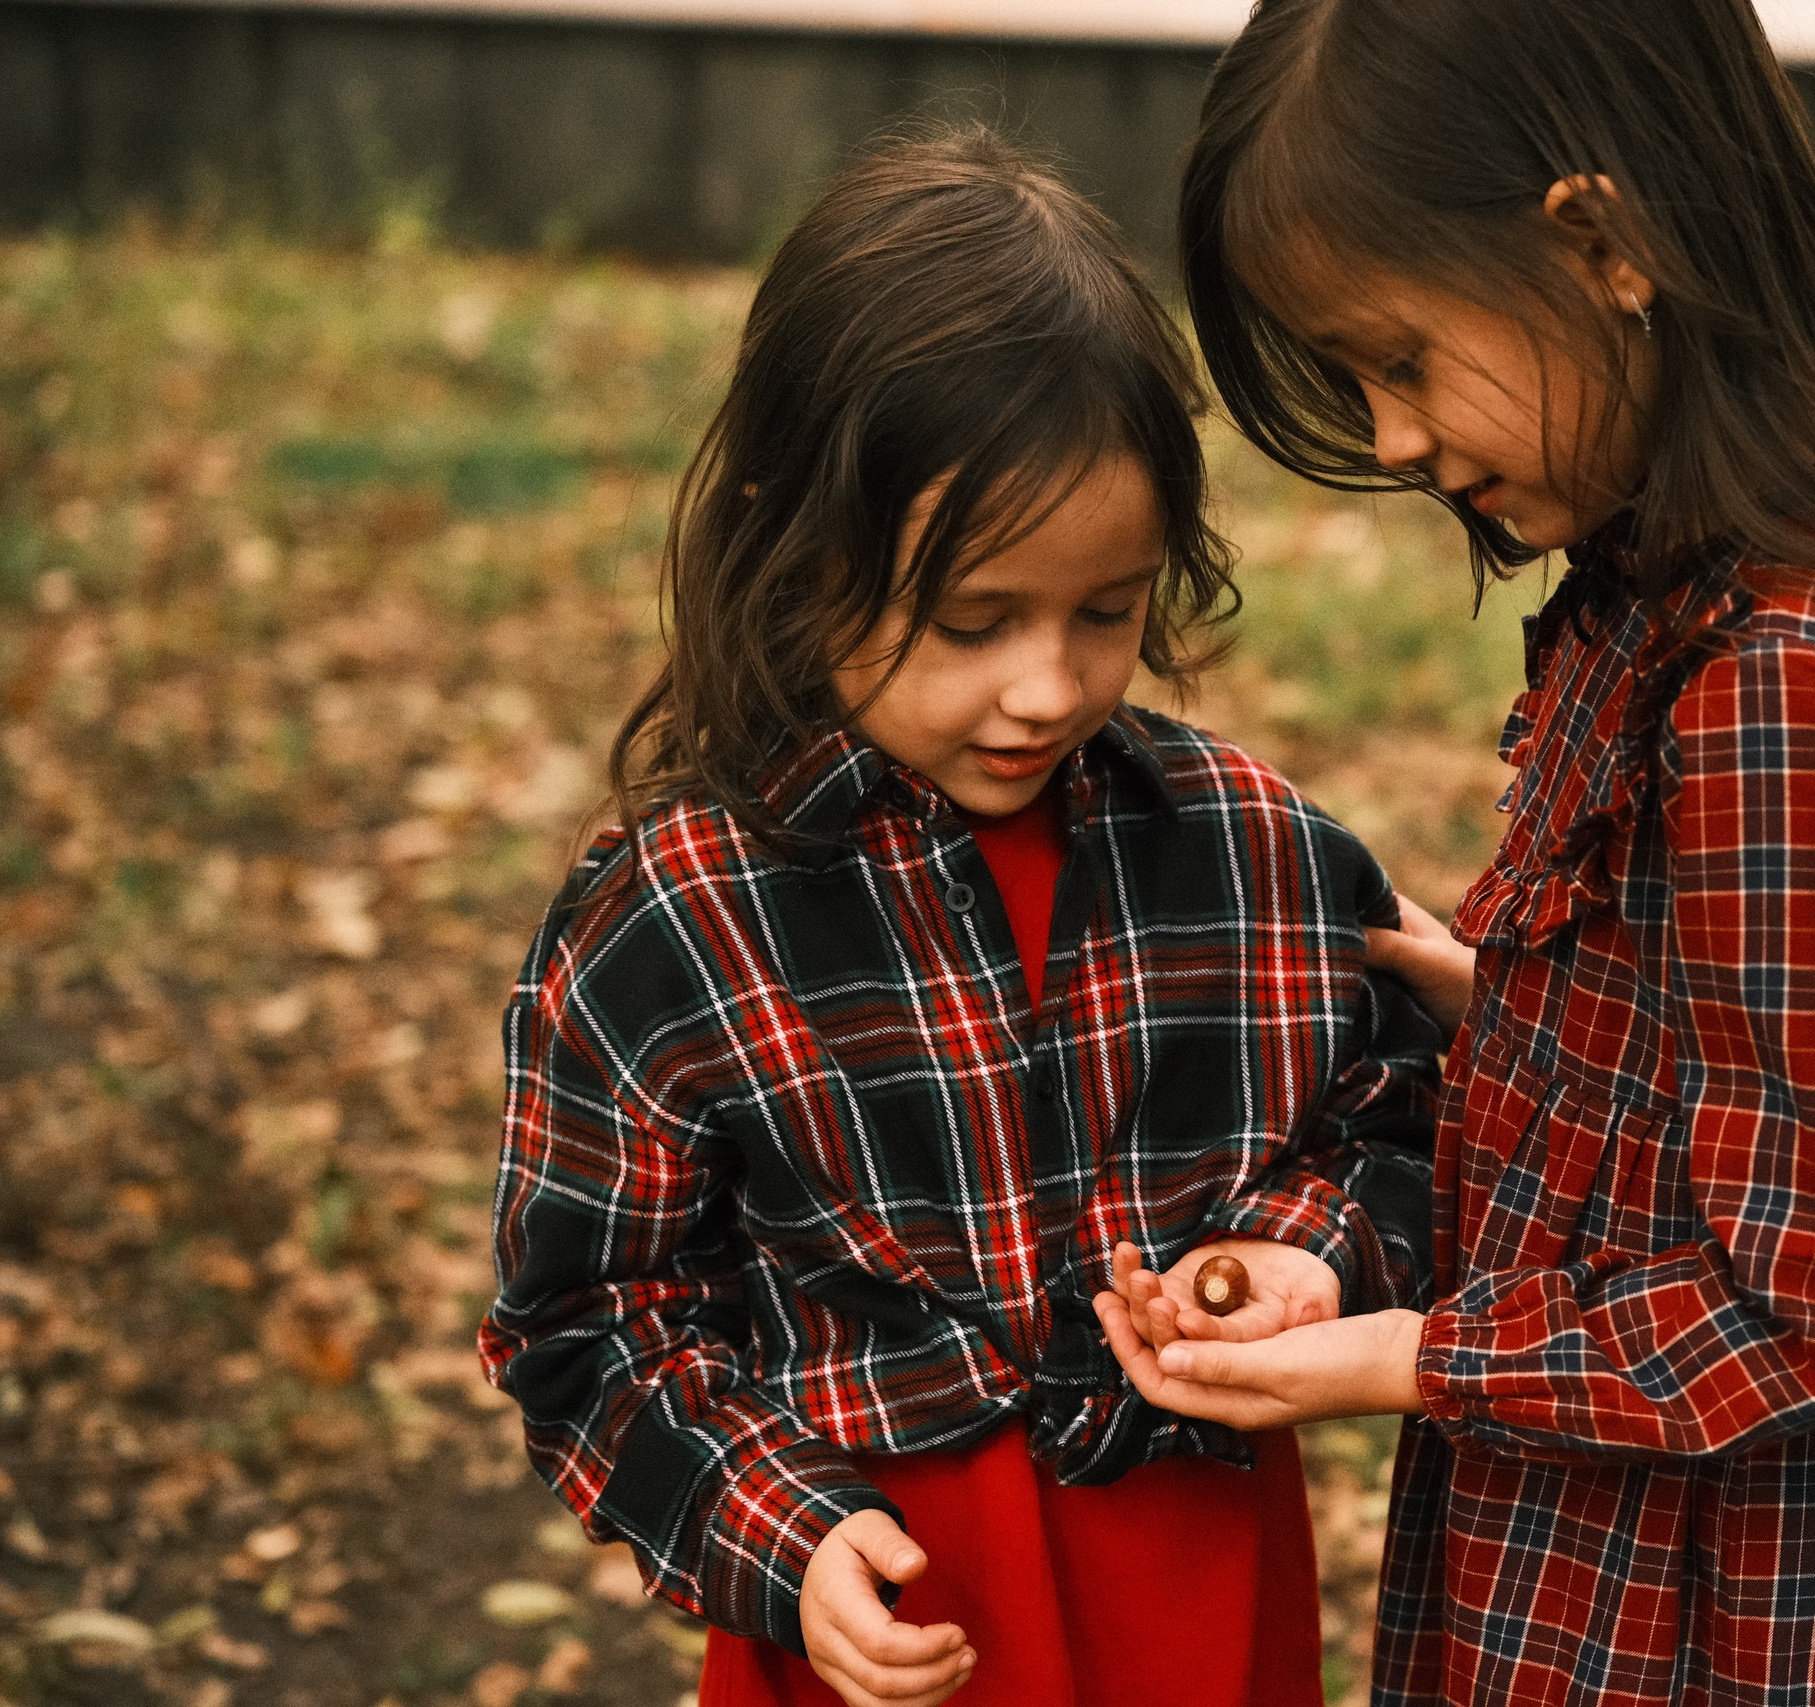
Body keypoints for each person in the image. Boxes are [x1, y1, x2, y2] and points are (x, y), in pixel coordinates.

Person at [1094, 2, 1815, 1702]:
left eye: (1401, 359)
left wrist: (1403, 1356)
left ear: (1603, 246)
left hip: (1764, 1599)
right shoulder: (1702, 574)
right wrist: (1515, 1008)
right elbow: (1775, 1079)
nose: (1389, 439)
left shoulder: (1783, 680)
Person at [479, 128, 1443, 1707]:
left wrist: (1311, 1258)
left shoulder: (1245, 854)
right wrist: (783, 1538)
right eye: (973, 621)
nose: (1048, 687)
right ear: (803, 553)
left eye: (1106, 611)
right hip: (895, 1621)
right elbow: (590, 1322)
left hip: (1195, 1603)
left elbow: (1408, 1117)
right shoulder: (677, 922)